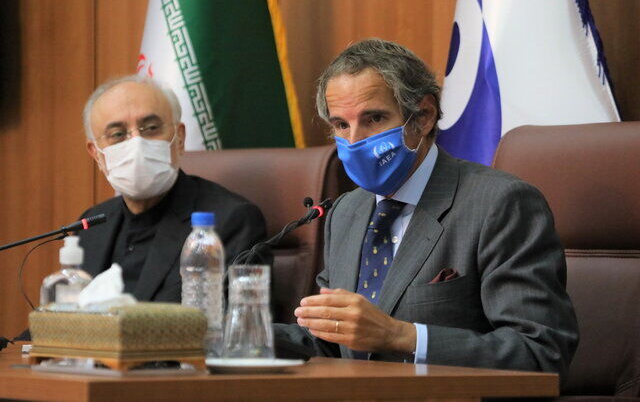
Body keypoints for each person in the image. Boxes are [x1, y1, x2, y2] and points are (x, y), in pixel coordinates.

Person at [276, 39, 579, 378]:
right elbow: (331, 343)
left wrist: (401, 336)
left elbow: (540, 352)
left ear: (423, 116)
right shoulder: (347, 211)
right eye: (341, 125)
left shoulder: (500, 204)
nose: (355, 140)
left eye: (373, 118)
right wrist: (237, 336)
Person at [79, 75, 267, 301]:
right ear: (96, 154)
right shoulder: (91, 226)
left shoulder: (231, 221)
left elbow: (235, 317)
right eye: (118, 134)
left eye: (151, 128)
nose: (136, 143)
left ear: (179, 138)